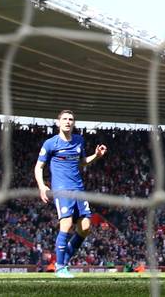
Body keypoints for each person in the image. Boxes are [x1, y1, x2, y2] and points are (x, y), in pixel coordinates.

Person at [34, 109, 108, 278]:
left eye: (71, 119)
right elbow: (38, 167)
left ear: (74, 123)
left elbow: (82, 163)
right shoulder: (50, 144)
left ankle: (63, 260)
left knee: (85, 227)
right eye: (65, 119)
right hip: (61, 189)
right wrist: (42, 186)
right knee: (66, 225)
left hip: (78, 189)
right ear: (58, 122)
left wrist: (96, 156)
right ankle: (60, 267)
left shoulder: (79, 141)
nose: (68, 121)